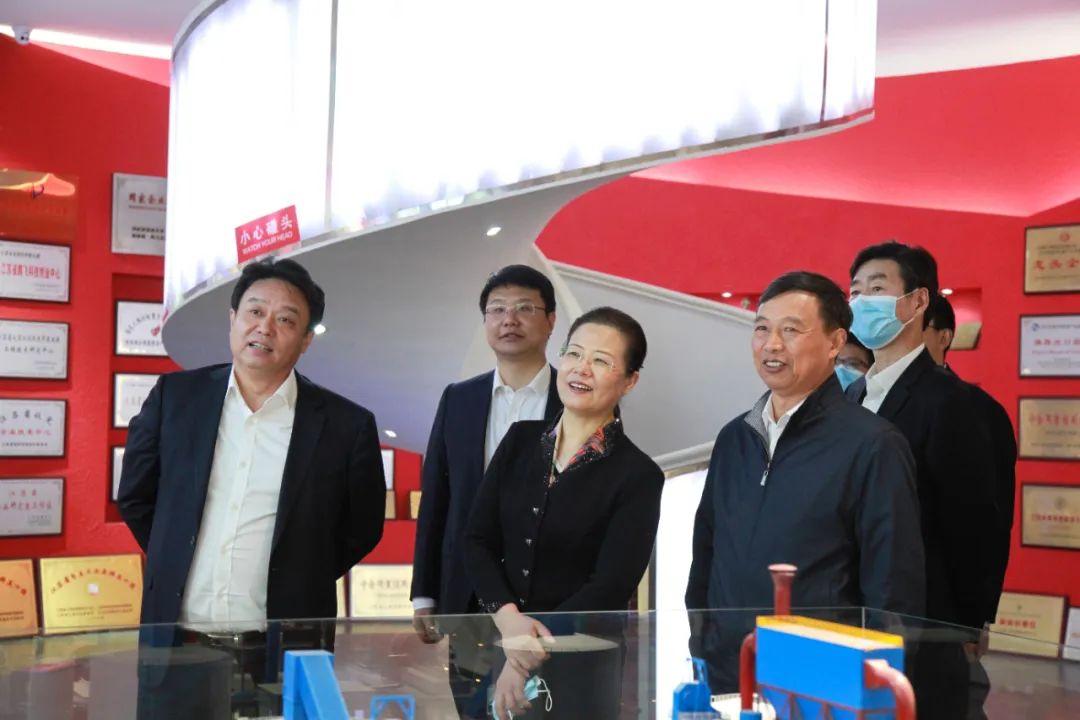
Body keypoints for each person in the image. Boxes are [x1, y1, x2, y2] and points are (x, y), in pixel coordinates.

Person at [118, 258, 386, 716]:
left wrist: (299, 573)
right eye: (255, 311)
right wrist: (176, 554)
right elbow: (136, 497)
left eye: (286, 320)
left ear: (306, 340)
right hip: (178, 648)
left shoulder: (346, 425)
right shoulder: (175, 398)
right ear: (233, 319)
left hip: (285, 654)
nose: (265, 327)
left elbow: (361, 528)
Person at [685, 270, 924, 694]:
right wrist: (702, 648)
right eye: (762, 329)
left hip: (820, 683)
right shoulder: (734, 438)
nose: (772, 344)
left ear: (835, 343)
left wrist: (874, 691)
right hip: (728, 674)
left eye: (791, 330)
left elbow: (893, 592)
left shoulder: (873, 445)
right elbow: (706, 556)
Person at [465, 307, 663, 720]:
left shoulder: (638, 475)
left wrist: (523, 656)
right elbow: (477, 540)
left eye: (601, 361)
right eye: (574, 353)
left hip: (581, 665)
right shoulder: (519, 441)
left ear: (630, 381)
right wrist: (509, 622)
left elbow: (609, 586)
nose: (581, 368)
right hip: (501, 643)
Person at [846, 242, 1000, 720]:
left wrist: (967, 622)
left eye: (877, 289)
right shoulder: (850, 395)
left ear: (917, 301)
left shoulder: (949, 402)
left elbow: (973, 523)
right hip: (849, 611)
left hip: (924, 619)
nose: (861, 301)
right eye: (855, 291)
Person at [410, 265, 562, 719]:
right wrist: (425, 593)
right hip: (470, 595)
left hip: (547, 598)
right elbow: (437, 497)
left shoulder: (573, 397)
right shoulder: (459, 399)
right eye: (497, 310)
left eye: (524, 308)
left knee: (543, 709)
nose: (508, 319)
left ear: (550, 321)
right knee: (474, 709)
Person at [923, 293, 1016, 719]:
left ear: (944, 337)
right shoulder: (863, 400)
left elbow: (989, 525)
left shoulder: (978, 410)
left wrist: (975, 618)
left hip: (945, 616)